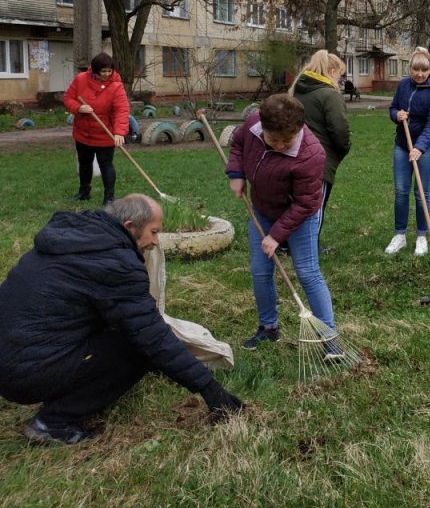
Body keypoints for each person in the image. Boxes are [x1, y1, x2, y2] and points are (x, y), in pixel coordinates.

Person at [0, 195, 243, 445]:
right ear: (129, 227)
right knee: (138, 347)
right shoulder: (116, 264)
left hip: (12, 354)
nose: (155, 242)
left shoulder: (74, 234)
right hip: (24, 373)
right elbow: (152, 336)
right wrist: (209, 388)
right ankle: (53, 422)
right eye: (154, 232)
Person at [227, 94, 342, 357]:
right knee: (259, 271)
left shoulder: (311, 154)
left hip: (300, 215)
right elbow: (238, 143)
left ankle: (329, 338)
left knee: (307, 272)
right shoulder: (254, 124)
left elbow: (305, 204)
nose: (279, 145)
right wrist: (236, 173)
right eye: (273, 139)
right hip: (263, 209)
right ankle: (269, 328)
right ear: (263, 127)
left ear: (299, 129)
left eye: (286, 141)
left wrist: (277, 235)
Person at [386, 47, 430, 256]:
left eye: (424, 70)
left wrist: (420, 147)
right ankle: (400, 235)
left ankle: (422, 236)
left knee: (421, 193)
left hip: (427, 147)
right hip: (402, 144)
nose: (420, 74)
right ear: (410, 68)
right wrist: (397, 115)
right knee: (401, 191)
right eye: (415, 69)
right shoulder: (403, 85)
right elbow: (393, 107)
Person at [290, 50, 351, 244]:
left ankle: (288, 244)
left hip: (293, 155)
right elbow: (339, 129)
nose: (340, 80)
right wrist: (344, 147)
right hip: (319, 160)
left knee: (296, 203)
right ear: (331, 71)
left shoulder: (296, 91)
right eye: (340, 74)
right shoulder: (329, 95)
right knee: (316, 205)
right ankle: (309, 247)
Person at [63, 51, 130, 206]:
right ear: (94, 70)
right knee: (84, 163)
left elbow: (122, 110)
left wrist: (119, 132)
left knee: (106, 164)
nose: (107, 74)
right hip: (83, 132)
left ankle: (109, 198)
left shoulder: (116, 87)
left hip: (104, 134)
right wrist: (79, 108)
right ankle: (84, 192)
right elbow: (68, 98)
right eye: (103, 71)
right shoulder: (80, 80)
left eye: (109, 71)